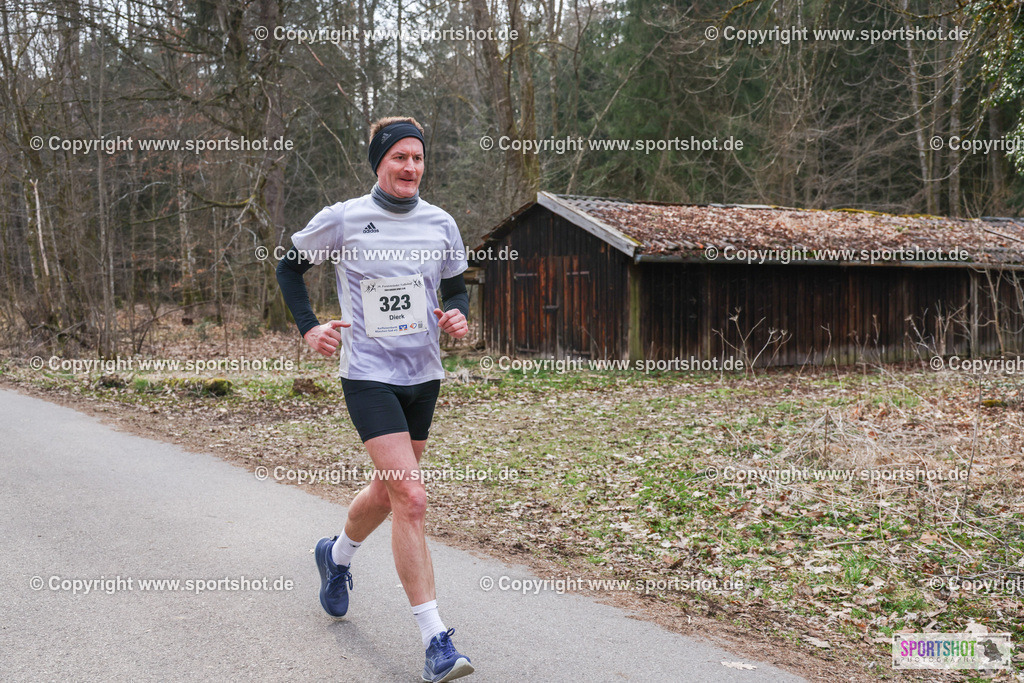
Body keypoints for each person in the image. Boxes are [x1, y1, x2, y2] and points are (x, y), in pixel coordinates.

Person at [275, 116, 473, 683]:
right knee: (411, 496)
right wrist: (310, 328)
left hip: (423, 374)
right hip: (367, 372)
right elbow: (290, 268)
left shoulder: (441, 222)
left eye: (418, 157)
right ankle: (435, 638)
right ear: (379, 163)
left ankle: (334, 557)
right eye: (399, 158)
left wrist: (458, 312)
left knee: (390, 494)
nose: (410, 167)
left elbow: (454, 282)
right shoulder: (345, 218)